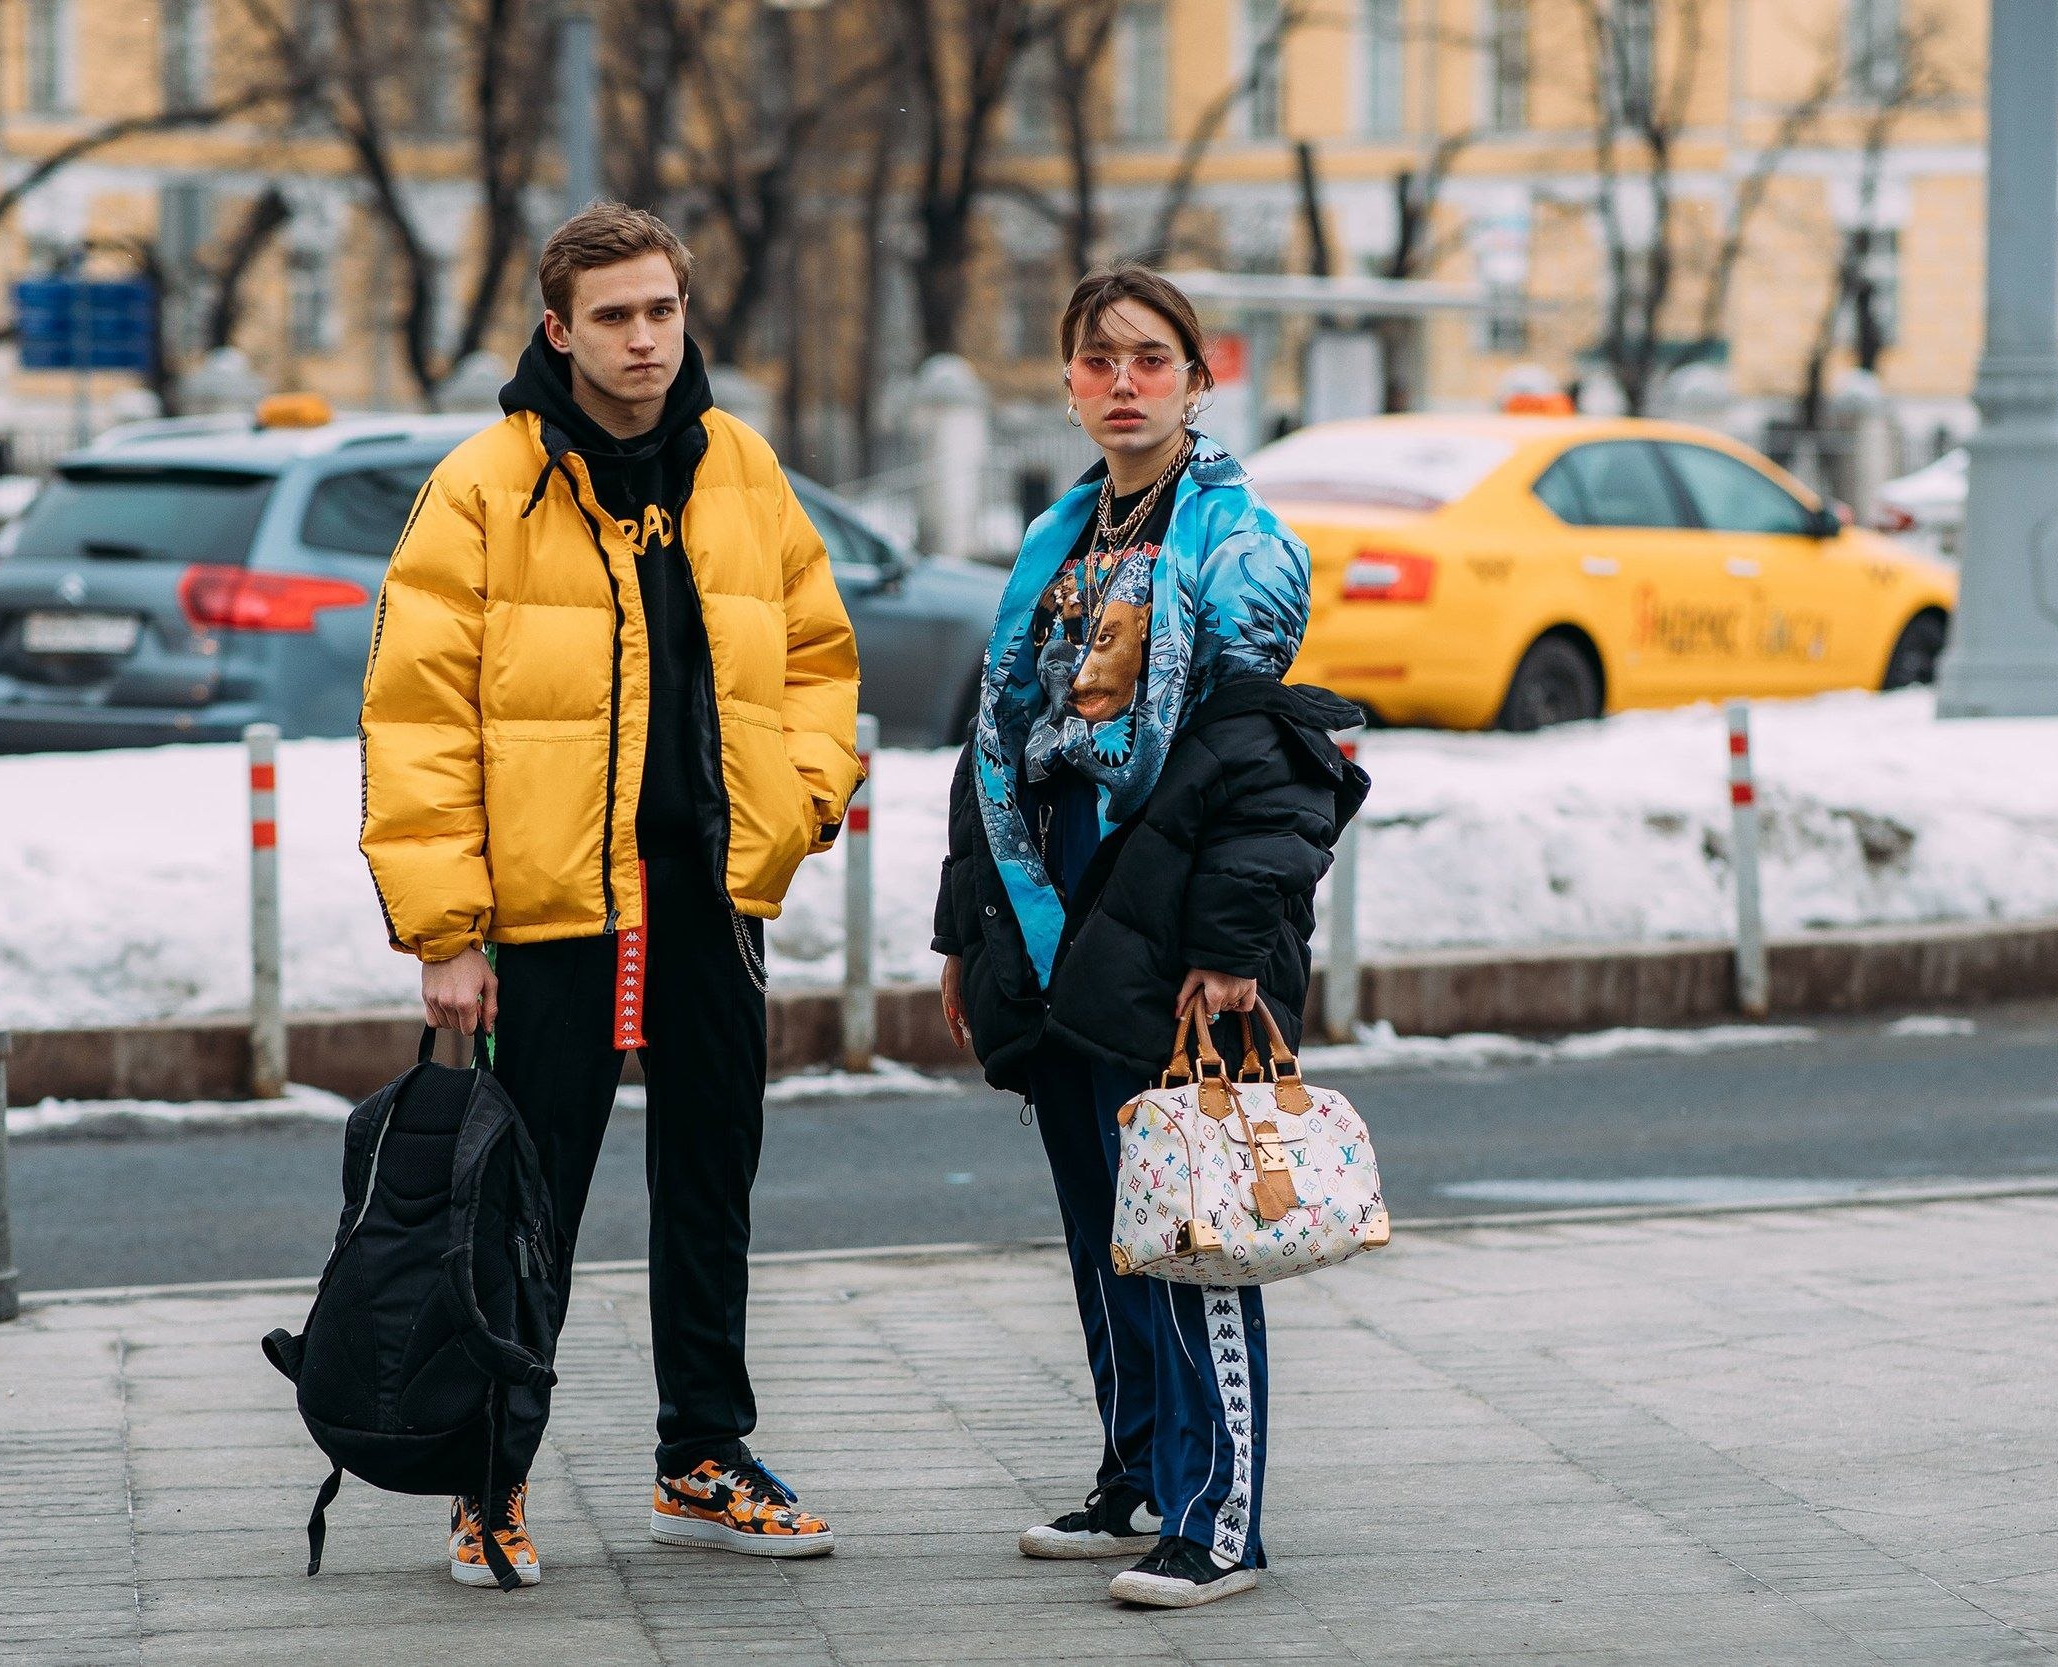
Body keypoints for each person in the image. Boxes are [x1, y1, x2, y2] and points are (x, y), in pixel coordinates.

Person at [359, 203, 862, 1588]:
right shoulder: (484, 487)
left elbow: (819, 655)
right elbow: (416, 718)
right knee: (527, 1204)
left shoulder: (742, 472)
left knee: (711, 1187)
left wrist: (799, 804)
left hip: (706, 901)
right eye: (617, 316)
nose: (646, 339)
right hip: (550, 915)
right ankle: (492, 1478)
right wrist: (448, 928)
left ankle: (703, 1456)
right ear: (558, 328)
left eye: (664, 311)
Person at [932, 264, 1367, 1609]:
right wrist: (969, 926)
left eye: (1151, 359)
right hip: (1058, 904)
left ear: (1198, 377)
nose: (1123, 382)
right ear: (1067, 383)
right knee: (1102, 1220)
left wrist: (1234, 947)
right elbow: (996, 743)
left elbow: (1273, 764)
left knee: (1190, 1215)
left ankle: (1218, 1518)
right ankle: (1139, 1471)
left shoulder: (1237, 546)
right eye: (1098, 359)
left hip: (1180, 917)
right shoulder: (1058, 542)